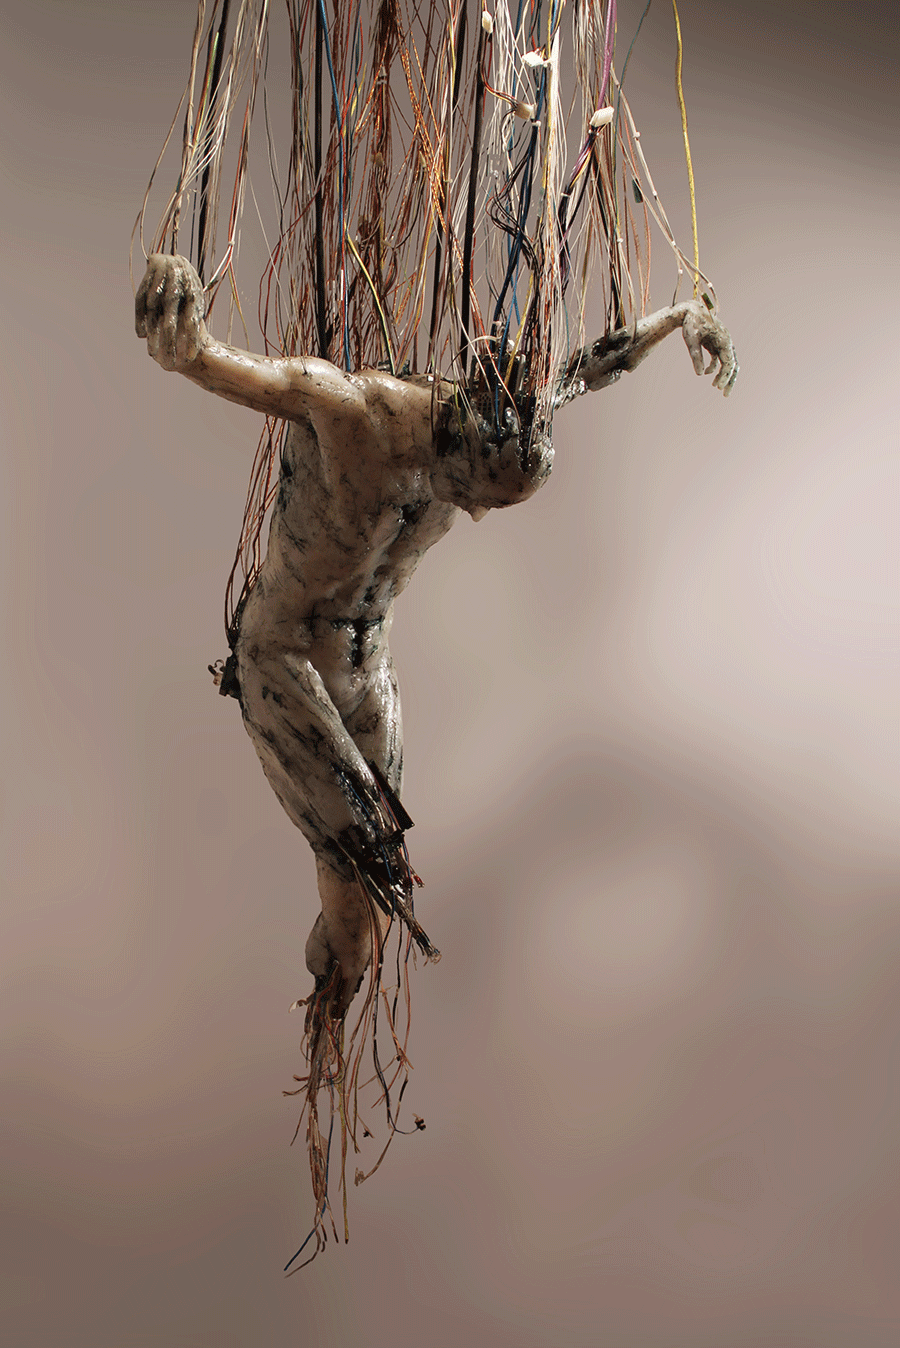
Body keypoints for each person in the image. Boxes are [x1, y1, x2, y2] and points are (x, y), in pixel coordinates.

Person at [135, 252, 737, 1020]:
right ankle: (330, 995)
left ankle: (333, 991)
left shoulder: (500, 421)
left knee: (373, 876)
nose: (477, 514)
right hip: (284, 656)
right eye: (477, 495)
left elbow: (583, 372)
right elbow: (211, 362)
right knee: (360, 856)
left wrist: (680, 318)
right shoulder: (348, 411)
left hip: (368, 663)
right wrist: (177, 318)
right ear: (454, 444)